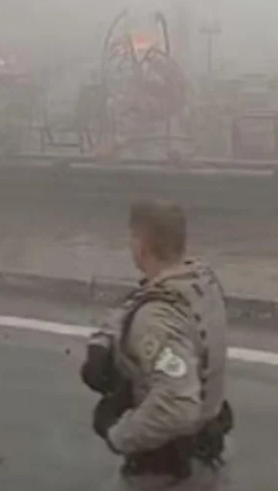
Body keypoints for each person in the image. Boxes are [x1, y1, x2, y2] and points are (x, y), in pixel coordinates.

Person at [83, 200, 232, 489]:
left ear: (141, 245)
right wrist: (107, 338)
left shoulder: (156, 318)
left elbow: (177, 405)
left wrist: (118, 435)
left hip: (167, 472)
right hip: (209, 452)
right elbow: (145, 296)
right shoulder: (202, 283)